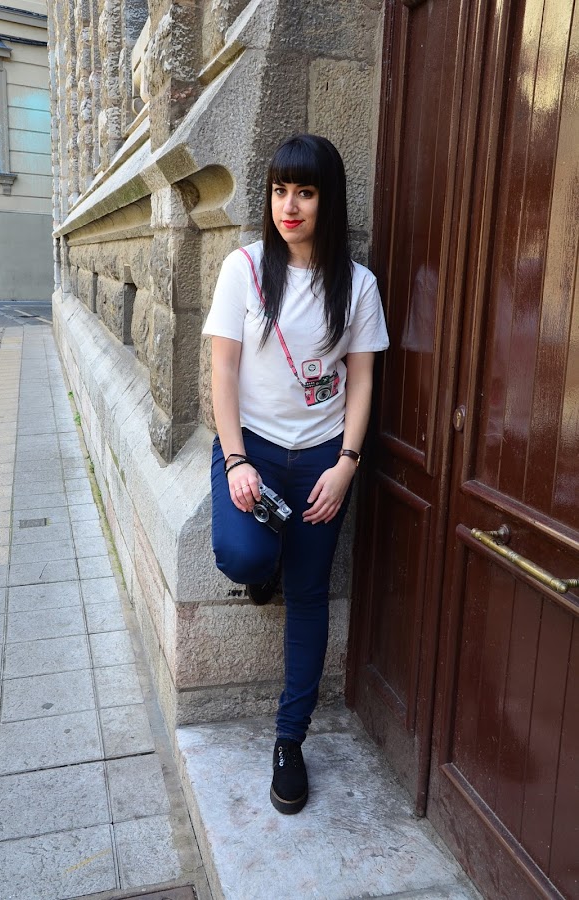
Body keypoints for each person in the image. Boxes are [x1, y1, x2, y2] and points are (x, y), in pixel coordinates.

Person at [203, 134, 389, 814]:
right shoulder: (244, 269)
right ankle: (264, 567)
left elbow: (362, 380)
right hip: (252, 449)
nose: (289, 206)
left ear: (327, 200)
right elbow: (223, 370)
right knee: (244, 556)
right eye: (280, 190)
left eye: (305, 192)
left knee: (309, 595)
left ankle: (290, 739)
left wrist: (346, 465)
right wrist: (235, 460)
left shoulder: (358, 285)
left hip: (320, 460)